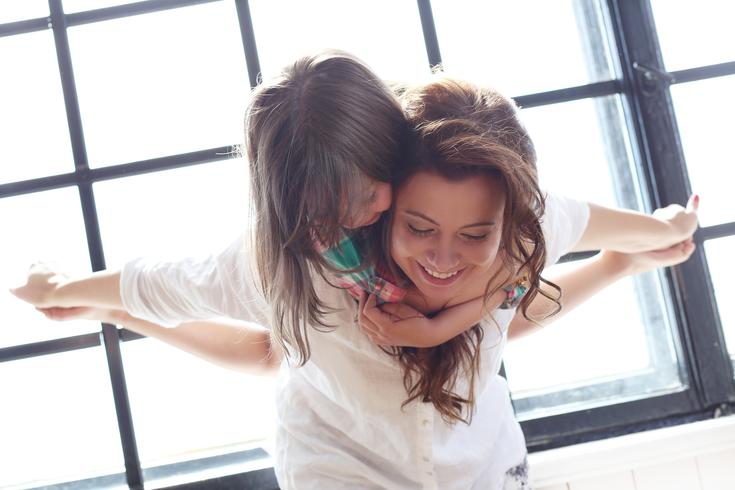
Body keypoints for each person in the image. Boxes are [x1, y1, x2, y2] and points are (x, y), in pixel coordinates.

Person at [11, 57, 698, 489]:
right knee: (278, 345)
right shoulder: (291, 262)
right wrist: (64, 290)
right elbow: (160, 283)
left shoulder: (512, 218)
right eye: (417, 228)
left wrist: (661, 233)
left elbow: (514, 310)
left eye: (366, 197)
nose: (442, 256)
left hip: (478, 463)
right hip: (339, 464)